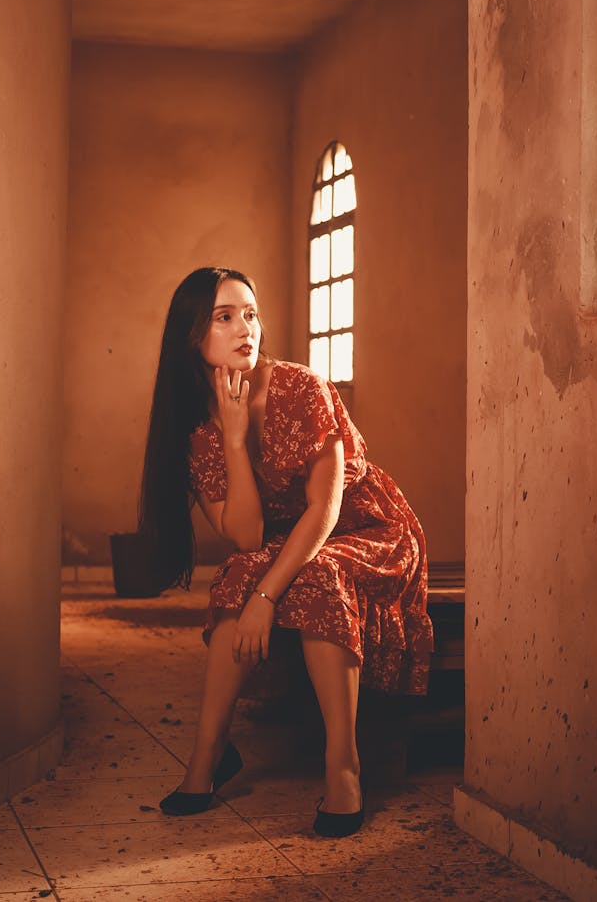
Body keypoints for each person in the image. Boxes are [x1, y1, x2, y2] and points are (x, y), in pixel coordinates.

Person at [138, 266, 433, 837]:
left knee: (313, 573)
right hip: (284, 539)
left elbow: (324, 509)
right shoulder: (196, 430)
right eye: (224, 317)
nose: (245, 327)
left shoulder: (301, 387)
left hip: (364, 530)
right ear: (192, 335)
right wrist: (233, 436)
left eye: (250, 313)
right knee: (237, 574)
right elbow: (247, 537)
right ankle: (207, 758)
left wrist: (268, 596)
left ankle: (342, 766)